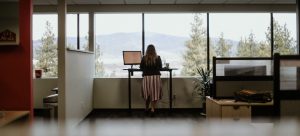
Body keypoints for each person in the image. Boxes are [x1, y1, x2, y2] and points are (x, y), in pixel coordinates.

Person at [140, 44, 162, 116]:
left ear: (147, 50)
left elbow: (141, 68)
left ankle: (146, 108)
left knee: (147, 93)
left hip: (147, 78)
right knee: (155, 93)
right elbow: (160, 68)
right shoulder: (158, 58)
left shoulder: (144, 58)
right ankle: (152, 109)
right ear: (154, 50)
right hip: (156, 77)